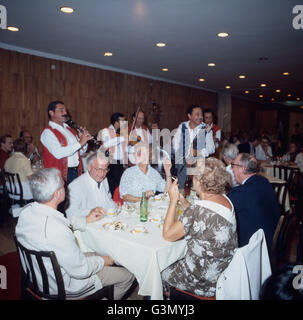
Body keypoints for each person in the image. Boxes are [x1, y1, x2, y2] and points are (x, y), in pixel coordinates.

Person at [15, 168, 135, 300]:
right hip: (64, 286)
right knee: (128, 276)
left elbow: (61, 222)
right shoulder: (57, 231)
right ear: (57, 194)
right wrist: (102, 261)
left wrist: (86, 220)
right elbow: (81, 270)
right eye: (63, 183)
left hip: (39, 276)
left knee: (100, 253)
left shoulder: (26, 212)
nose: (65, 186)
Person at [161, 157, 238, 297]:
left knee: (159, 269)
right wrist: (184, 203)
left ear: (198, 181)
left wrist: (172, 201)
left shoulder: (197, 210)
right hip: (221, 272)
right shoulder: (225, 200)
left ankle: (169, 295)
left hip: (202, 281)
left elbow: (167, 235)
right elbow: (206, 217)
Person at [228, 153, 280, 251]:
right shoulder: (264, 181)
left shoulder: (242, 192)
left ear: (242, 168)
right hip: (270, 239)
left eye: (233, 165)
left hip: (255, 248)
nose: (231, 169)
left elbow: (222, 207)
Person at [40, 101, 93, 185]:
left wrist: (84, 140)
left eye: (65, 111)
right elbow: (58, 153)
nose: (65, 113)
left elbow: (79, 152)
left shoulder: (70, 130)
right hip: (60, 174)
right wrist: (80, 143)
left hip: (76, 170)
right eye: (61, 110)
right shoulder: (48, 132)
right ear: (51, 113)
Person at [172, 105, 215, 192]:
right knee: (182, 189)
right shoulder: (182, 127)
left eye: (201, 115)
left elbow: (211, 148)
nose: (200, 117)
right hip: (183, 165)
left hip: (199, 165)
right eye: (197, 114)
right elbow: (175, 143)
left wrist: (199, 152)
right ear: (189, 116)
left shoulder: (206, 128)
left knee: (197, 190)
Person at [66, 151, 116, 217]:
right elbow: (70, 213)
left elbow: (108, 200)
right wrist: (91, 212)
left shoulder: (104, 180)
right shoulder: (75, 186)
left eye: (105, 170)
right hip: (87, 223)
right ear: (89, 167)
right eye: (98, 169)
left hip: (105, 220)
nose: (102, 174)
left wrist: (115, 207)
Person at [97, 113, 128, 196]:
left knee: (119, 185)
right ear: (116, 122)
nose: (125, 123)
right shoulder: (106, 131)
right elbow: (107, 144)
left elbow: (123, 149)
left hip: (119, 163)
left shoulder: (120, 133)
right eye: (123, 121)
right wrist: (122, 138)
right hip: (110, 162)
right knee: (112, 186)